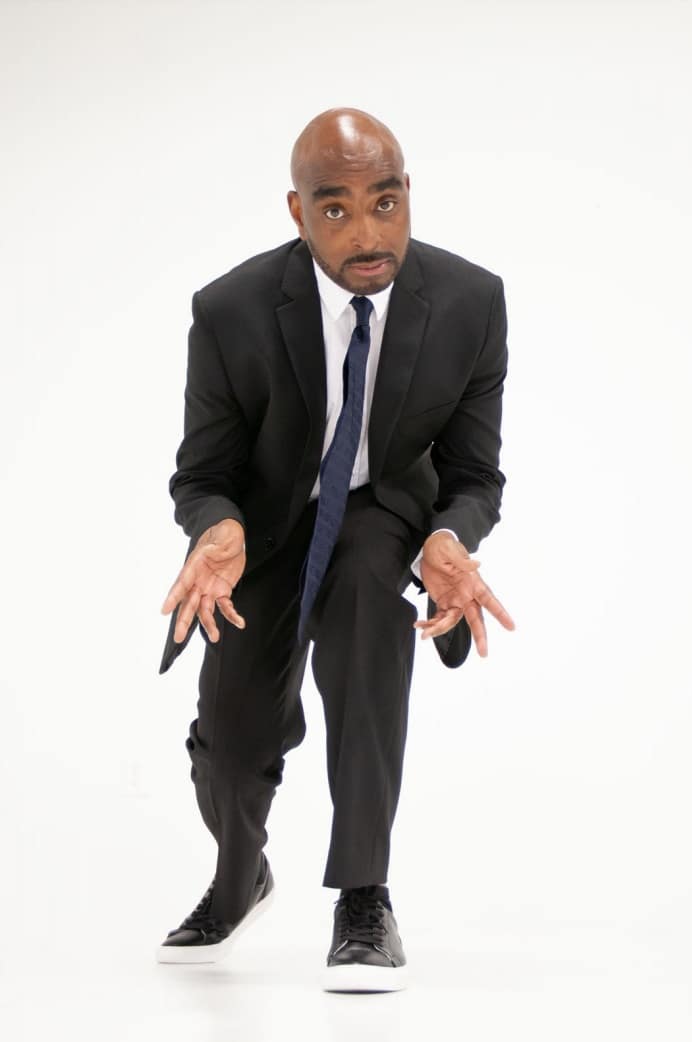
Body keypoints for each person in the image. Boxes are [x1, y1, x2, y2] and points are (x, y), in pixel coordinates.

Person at [155, 107, 515, 992]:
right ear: (297, 211)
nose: (367, 234)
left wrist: (449, 537)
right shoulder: (230, 311)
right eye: (335, 209)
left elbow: (475, 473)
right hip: (266, 531)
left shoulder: (470, 302)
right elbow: (202, 473)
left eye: (385, 203)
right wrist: (216, 527)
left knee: (367, 628)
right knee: (232, 743)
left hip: (380, 515)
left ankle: (364, 897)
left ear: (408, 195)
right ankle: (240, 878)